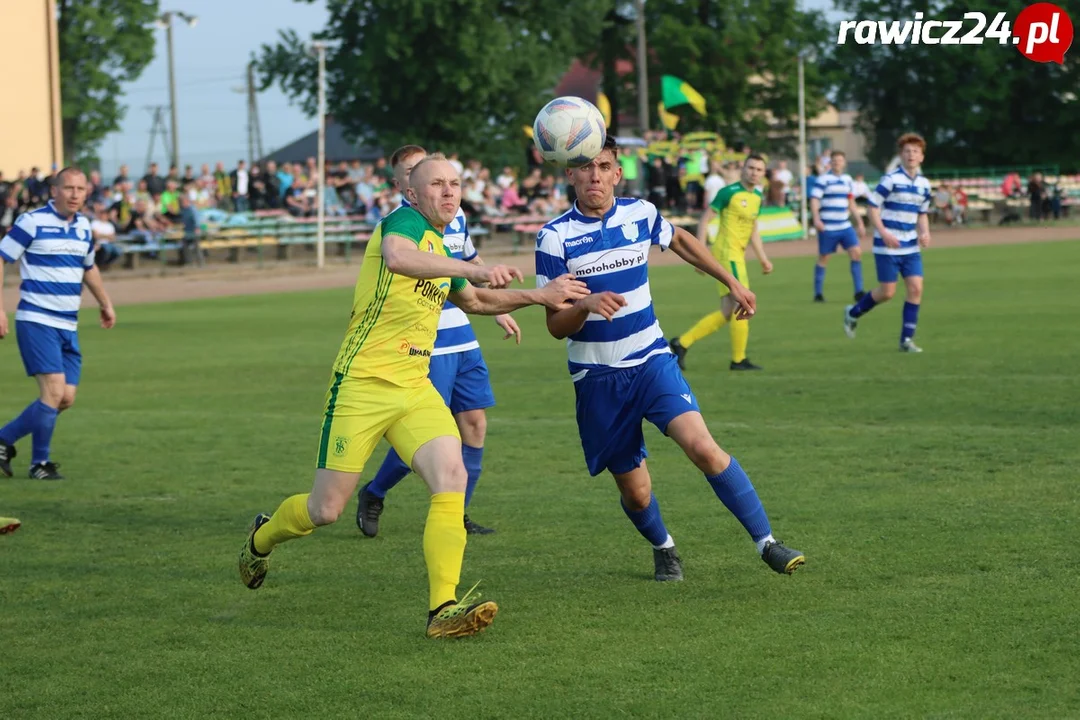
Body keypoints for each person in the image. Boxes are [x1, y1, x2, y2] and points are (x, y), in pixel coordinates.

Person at [237, 154, 588, 639]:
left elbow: (476, 301)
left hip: (414, 386)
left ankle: (442, 609)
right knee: (326, 511)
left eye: (455, 184)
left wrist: (539, 297)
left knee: (451, 476)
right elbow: (399, 259)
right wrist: (473, 268)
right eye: (437, 184)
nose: (449, 192)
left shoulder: (442, 245)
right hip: (362, 385)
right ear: (412, 194)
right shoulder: (400, 224)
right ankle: (260, 538)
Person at [535, 136, 804, 583]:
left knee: (703, 447)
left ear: (617, 173)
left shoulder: (640, 213)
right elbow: (554, 324)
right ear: (570, 173)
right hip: (598, 379)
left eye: (604, 166)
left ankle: (767, 543)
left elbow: (679, 238)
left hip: (652, 361)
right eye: (585, 167)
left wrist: (732, 282)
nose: (595, 175)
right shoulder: (554, 237)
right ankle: (664, 548)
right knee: (636, 493)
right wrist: (582, 306)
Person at [356, 145, 521, 538]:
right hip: (426, 340)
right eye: (414, 172)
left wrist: (497, 306)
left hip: (461, 332)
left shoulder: (454, 215)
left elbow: (471, 261)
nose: (435, 182)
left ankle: (458, 516)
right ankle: (375, 491)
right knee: (430, 431)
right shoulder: (401, 225)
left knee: (475, 424)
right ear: (404, 185)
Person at [0, 168, 117, 480]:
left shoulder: (83, 227)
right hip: (37, 319)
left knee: (65, 397)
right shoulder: (32, 221)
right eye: (68, 188)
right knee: (52, 393)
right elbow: (1, 257)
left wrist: (105, 303)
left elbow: (88, 267)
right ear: (55, 190)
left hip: (68, 323)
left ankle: (3, 440)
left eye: (81, 188)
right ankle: (40, 463)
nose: (75, 194)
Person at [669, 155, 773, 371]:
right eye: (751, 168)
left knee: (727, 312)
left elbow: (753, 228)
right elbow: (706, 218)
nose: (754, 172)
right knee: (743, 304)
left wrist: (763, 258)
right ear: (743, 169)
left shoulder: (757, 198)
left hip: (738, 256)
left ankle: (682, 343)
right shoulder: (729, 192)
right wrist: (701, 251)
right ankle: (738, 360)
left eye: (759, 169)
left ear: (763, 174)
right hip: (727, 254)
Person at [843, 133, 932, 352]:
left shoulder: (924, 184)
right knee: (887, 292)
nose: (911, 155)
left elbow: (922, 213)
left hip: (910, 246)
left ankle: (906, 340)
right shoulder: (891, 179)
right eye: (907, 151)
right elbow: (873, 207)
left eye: (915, 152)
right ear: (901, 155)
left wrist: (925, 233)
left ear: (921, 157)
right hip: (887, 245)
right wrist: (883, 232)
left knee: (916, 289)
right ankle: (853, 313)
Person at [810, 150, 867, 303]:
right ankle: (818, 293)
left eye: (840, 160)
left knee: (856, 253)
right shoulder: (823, 179)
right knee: (824, 258)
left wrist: (859, 222)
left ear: (844, 163)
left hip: (845, 225)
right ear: (830, 163)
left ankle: (859, 291)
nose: (837, 163)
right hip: (828, 226)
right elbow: (815, 200)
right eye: (834, 160)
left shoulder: (848, 180)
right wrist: (816, 219)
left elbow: (851, 202)